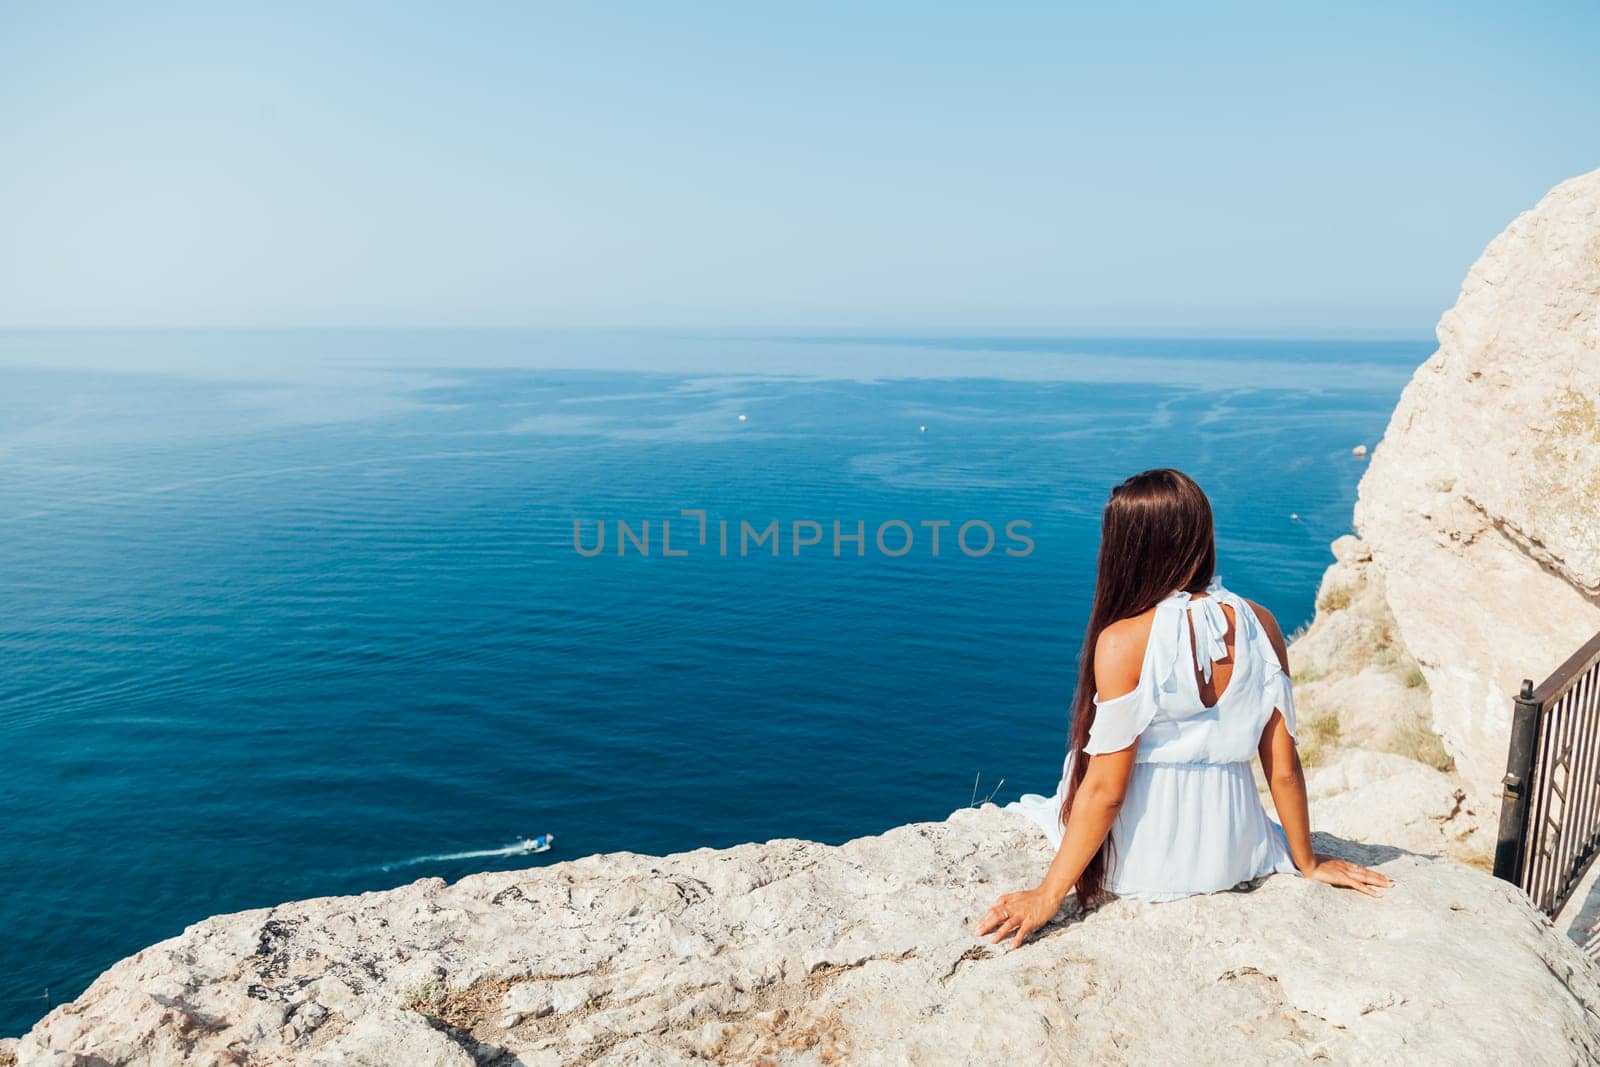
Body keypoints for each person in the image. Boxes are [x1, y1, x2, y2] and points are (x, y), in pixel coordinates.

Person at [980, 469, 1390, 950]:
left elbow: (1108, 791)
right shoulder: (1262, 622)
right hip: (1237, 849)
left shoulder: (1122, 641)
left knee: (1079, 776)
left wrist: (1049, 894)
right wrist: (1308, 860)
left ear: (1127, 548)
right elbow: (1283, 768)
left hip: (1144, 858)